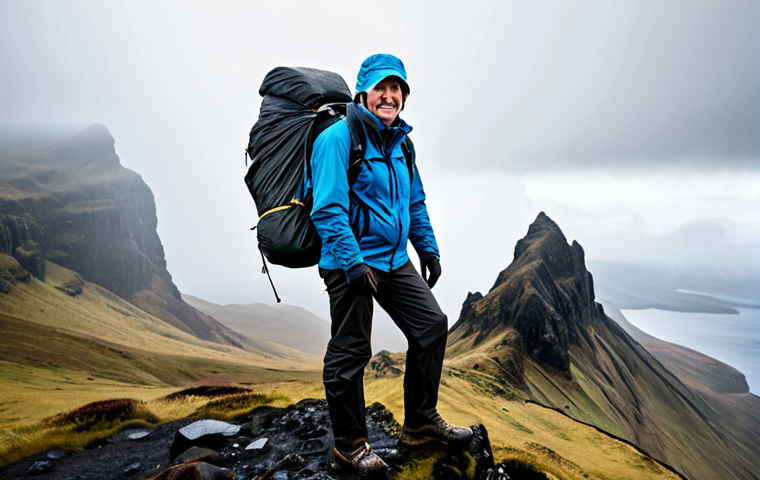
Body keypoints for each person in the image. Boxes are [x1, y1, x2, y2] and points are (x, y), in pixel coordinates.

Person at [309, 53, 473, 477]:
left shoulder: (402, 142)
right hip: (350, 262)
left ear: (404, 96)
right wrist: (352, 264)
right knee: (351, 351)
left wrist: (428, 248)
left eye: (396, 88)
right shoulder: (338, 138)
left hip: (394, 260)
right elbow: (327, 210)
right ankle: (349, 446)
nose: (389, 95)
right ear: (363, 91)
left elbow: (413, 201)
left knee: (431, 325)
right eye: (381, 87)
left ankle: (419, 424)